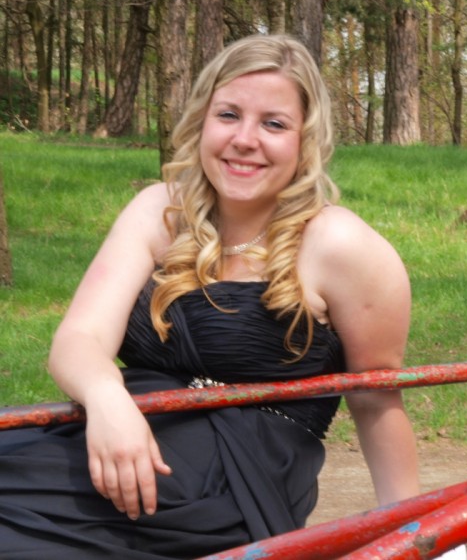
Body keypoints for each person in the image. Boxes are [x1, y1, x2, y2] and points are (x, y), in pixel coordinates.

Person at [0, 35, 423, 558]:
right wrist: (107, 401)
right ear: (202, 120)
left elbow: (376, 400)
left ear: (306, 140)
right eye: (228, 115)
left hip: (235, 480)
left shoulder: (340, 245)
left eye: (273, 124)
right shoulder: (160, 212)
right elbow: (79, 338)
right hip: (124, 438)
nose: (245, 139)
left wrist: (411, 536)